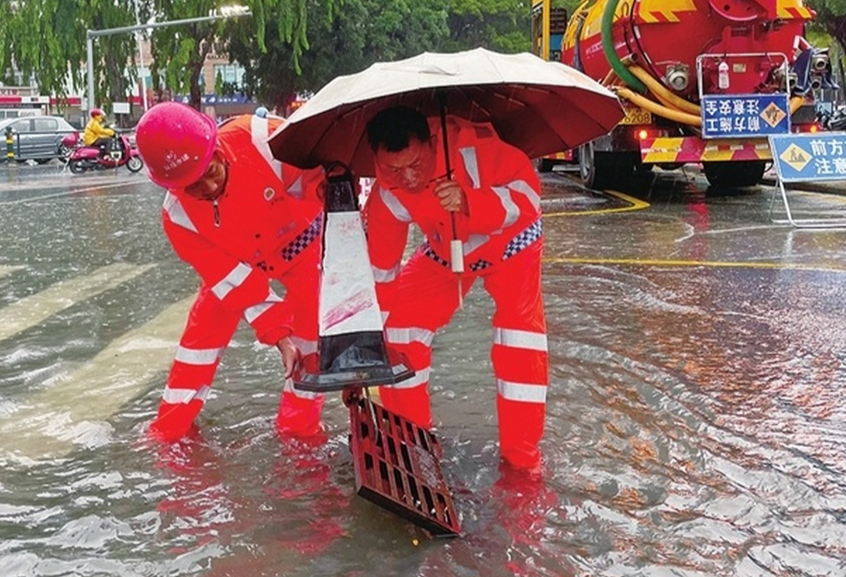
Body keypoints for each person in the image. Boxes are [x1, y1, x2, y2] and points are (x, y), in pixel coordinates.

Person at [362, 105, 548, 471]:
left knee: (519, 342)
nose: (409, 178)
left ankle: (522, 462)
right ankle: (411, 442)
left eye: (416, 164)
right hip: (446, 251)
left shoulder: (476, 147)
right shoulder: (388, 192)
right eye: (393, 169)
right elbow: (381, 273)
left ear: (432, 143)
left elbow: (528, 198)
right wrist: (366, 347)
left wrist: (470, 202)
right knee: (397, 324)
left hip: (512, 242)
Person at [135, 101, 326, 442]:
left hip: (302, 245)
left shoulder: (264, 140)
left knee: (311, 346)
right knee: (198, 343)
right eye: (193, 187)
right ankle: (168, 434)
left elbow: (323, 177)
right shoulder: (178, 218)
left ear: (218, 149)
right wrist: (278, 334)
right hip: (237, 259)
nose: (208, 189)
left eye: (211, 173)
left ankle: (299, 434)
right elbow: (233, 282)